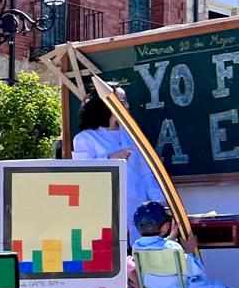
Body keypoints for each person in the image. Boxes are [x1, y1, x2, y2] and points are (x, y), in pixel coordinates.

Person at [71, 88, 168, 233]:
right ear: (106, 104)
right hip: (105, 213)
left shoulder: (132, 134)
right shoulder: (84, 139)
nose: (127, 106)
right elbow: (82, 175)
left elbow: (146, 172)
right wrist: (109, 159)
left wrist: (160, 202)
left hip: (139, 213)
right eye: (123, 101)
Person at [131, 202, 234, 288]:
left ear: (137, 228)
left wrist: (170, 240)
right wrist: (189, 251)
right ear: (166, 226)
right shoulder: (173, 248)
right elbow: (196, 271)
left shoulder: (137, 246)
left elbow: (155, 247)